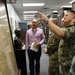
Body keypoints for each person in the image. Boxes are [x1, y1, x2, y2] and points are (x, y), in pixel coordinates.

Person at [38, 10, 75, 75]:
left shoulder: (73, 28)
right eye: (64, 15)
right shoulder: (67, 28)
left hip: (70, 62)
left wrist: (47, 20)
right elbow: (56, 36)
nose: (64, 17)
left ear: (73, 16)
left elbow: (60, 33)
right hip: (65, 61)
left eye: (66, 15)